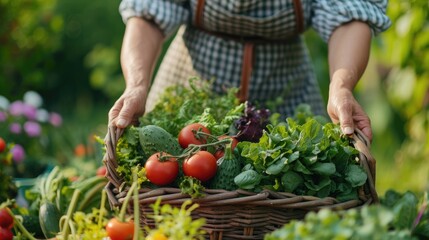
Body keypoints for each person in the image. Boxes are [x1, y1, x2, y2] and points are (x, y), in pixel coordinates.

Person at [108, 0, 391, 142]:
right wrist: (137, 84)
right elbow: (149, 12)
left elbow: (350, 13)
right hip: (189, 87)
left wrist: (341, 85)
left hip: (287, 90)